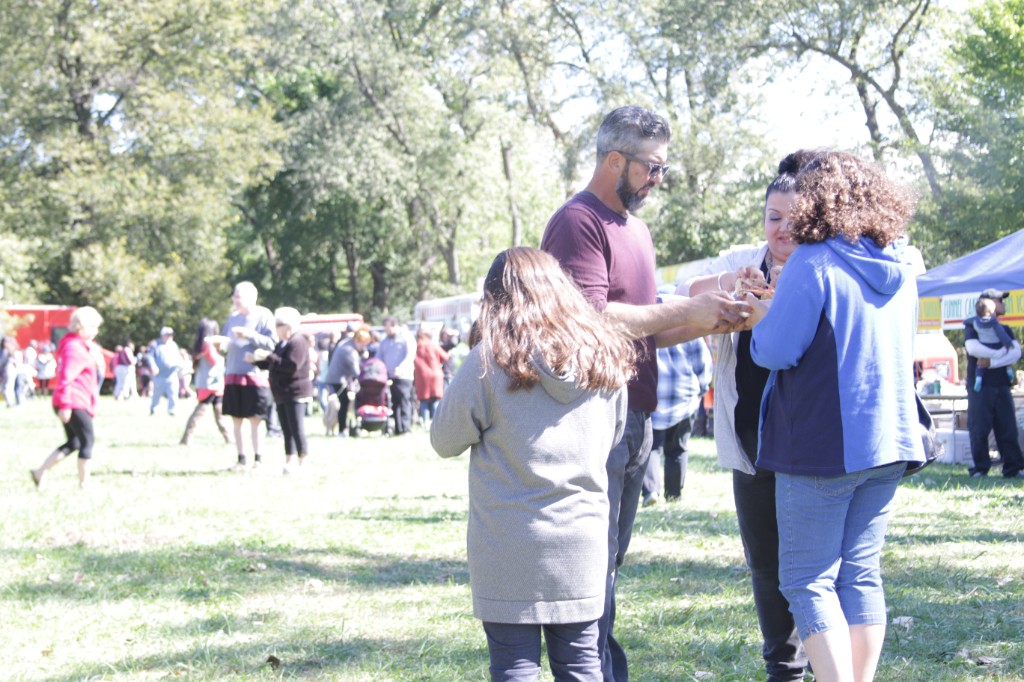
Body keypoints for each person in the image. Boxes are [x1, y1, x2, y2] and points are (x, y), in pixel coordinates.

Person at [539, 104, 750, 681]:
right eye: (652, 168)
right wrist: (685, 309)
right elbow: (589, 319)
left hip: (637, 419)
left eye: (662, 168)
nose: (659, 179)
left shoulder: (637, 229)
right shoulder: (577, 222)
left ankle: (599, 665)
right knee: (590, 567)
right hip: (593, 417)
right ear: (615, 160)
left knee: (608, 562)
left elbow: (646, 328)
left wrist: (715, 318)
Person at [746, 151, 926, 682]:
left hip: (821, 446)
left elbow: (775, 350)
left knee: (807, 580)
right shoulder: (902, 264)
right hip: (890, 443)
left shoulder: (813, 262)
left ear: (816, 200)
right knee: (861, 575)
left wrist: (762, 317)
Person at [430, 247, 635, 681]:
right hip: (582, 541)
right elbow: (614, 435)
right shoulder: (605, 359)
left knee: (514, 669)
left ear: (493, 300)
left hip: (507, 544)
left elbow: (444, 439)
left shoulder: (489, 361)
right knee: (582, 666)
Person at [680, 151, 815, 681]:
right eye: (773, 217)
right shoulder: (747, 260)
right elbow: (686, 291)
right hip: (751, 439)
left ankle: (826, 662)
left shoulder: (825, 266)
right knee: (765, 562)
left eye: (794, 219)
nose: (782, 229)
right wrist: (731, 285)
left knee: (812, 564)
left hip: (811, 442)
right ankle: (783, 667)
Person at [30, 306, 105, 489]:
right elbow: (66, 377)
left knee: (74, 442)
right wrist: (65, 405)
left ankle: (40, 472)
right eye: (93, 327)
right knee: (87, 440)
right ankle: (84, 484)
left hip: (76, 399)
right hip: (73, 401)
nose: (96, 331)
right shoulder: (74, 348)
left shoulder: (80, 346)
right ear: (82, 326)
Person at [640, 330, 712, 506]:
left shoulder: (648, 325)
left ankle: (651, 490)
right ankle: (673, 494)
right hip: (683, 397)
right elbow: (702, 361)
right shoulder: (688, 326)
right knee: (678, 449)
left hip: (653, 395)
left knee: (650, 448)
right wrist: (702, 387)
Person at [963, 288, 1024, 478]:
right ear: (987, 303)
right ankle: (980, 468)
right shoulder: (972, 325)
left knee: (1008, 428)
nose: (1003, 304)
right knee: (979, 428)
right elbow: (973, 348)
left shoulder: (1005, 328)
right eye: (999, 300)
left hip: (1002, 384)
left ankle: (1013, 468)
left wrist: (992, 361)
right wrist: (1000, 354)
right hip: (980, 387)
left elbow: (1016, 352)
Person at [222, 281, 277, 471]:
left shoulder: (264, 315)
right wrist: (221, 346)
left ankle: (258, 460)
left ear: (251, 297)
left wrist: (249, 335)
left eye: (238, 296)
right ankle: (241, 459)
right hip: (232, 374)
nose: (234, 299)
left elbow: (272, 343)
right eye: (234, 295)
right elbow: (226, 342)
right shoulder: (232, 318)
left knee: (256, 419)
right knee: (236, 419)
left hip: (255, 375)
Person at [251, 307, 313, 474]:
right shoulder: (283, 343)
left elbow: (291, 365)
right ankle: (289, 461)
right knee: (286, 429)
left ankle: (303, 461)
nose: (275, 329)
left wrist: (268, 356)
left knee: (296, 428)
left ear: (288, 326)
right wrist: (257, 361)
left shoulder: (297, 342)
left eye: (277, 325)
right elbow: (274, 363)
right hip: (282, 393)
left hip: (295, 392)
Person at [179, 318, 232, 446]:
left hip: (211, 383)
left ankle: (229, 438)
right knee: (200, 412)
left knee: (219, 413)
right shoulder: (208, 346)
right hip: (210, 384)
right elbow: (216, 362)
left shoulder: (201, 346)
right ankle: (186, 438)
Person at [378, 316, 416, 435]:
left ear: (395, 326)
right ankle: (397, 429)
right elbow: (379, 357)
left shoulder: (406, 337)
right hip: (389, 377)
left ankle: (406, 429)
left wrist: (401, 368)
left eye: (388, 329)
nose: (387, 332)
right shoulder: (385, 341)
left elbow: (410, 355)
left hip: (403, 376)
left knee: (404, 401)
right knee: (394, 403)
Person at [969, 297, 1016, 391]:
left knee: (981, 362)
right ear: (990, 312)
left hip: (984, 344)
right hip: (996, 344)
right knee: (1005, 355)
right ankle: (1008, 369)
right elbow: (1001, 334)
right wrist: (1008, 343)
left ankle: (979, 377)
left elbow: (968, 321)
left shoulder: (976, 322)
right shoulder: (994, 323)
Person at [413, 327, 448, 426]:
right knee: (435, 399)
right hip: (435, 375)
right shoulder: (433, 345)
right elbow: (445, 357)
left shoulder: (416, 347)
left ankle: (425, 421)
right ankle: (437, 422)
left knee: (424, 400)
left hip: (422, 377)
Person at [148, 327, 181, 415]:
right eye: (167, 335)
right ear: (162, 335)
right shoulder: (155, 344)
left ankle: (172, 411)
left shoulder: (174, 345)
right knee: (157, 394)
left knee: (173, 392)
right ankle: (153, 409)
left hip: (172, 373)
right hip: (159, 374)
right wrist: (153, 366)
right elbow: (149, 356)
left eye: (171, 335)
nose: (170, 337)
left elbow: (178, 357)